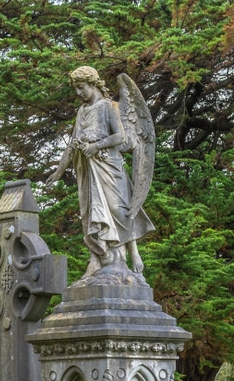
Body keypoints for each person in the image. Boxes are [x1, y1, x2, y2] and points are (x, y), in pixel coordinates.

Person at [45, 66, 154, 277]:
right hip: (88, 167)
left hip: (109, 166)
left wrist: (96, 146)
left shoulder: (108, 106)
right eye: (76, 88)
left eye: (81, 87)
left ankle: (133, 253)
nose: (78, 93)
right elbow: (72, 143)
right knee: (89, 212)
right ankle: (98, 259)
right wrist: (58, 172)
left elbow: (120, 137)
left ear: (93, 84)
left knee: (118, 209)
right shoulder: (82, 111)